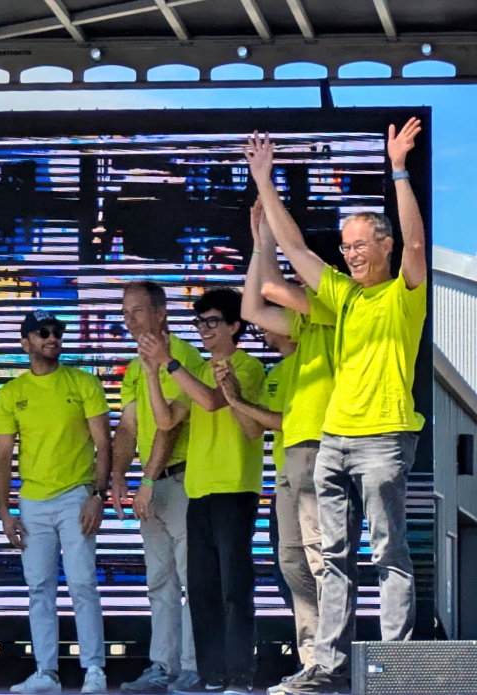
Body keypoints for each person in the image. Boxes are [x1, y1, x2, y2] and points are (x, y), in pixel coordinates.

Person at [244, 120, 427, 694]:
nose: (350, 256)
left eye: (359, 245)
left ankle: (395, 671)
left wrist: (398, 169)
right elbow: (296, 249)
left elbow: (416, 245)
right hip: (333, 440)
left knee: (388, 555)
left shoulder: (403, 294)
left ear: (384, 246)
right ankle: (327, 667)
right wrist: (264, 180)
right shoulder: (342, 297)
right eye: (346, 248)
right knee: (333, 558)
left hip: (385, 437)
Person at [140, 288, 265, 693]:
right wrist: (151, 373)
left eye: (212, 322)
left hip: (235, 487)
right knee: (202, 589)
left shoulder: (247, 366)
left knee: (234, 587)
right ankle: (211, 675)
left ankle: (240, 674)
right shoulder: (197, 368)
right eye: (199, 322)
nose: (204, 329)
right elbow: (166, 420)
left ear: (234, 326)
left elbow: (212, 402)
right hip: (198, 490)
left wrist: (169, 362)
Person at [240, 201, 337, 692]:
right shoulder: (302, 329)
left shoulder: (335, 309)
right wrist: (261, 243)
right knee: (293, 562)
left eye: (304, 271)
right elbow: (252, 309)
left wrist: (268, 232)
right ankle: (313, 662)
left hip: (322, 449)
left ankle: (333, 664)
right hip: (290, 456)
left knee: (322, 561)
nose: (298, 279)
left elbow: (273, 290)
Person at [0, 310, 112, 695]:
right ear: (25, 342)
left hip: (76, 495)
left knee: (82, 582)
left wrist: (97, 496)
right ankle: (46, 672)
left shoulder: (83, 382)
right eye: (42, 332)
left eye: (57, 332)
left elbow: (104, 443)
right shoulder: (11, 393)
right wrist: (5, 512)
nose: (52, 338)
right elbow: (2, 455)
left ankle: (94, 670)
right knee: (38, 586)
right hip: (32, 500)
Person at [115, 282, 203, 694]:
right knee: (159, 582)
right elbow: (128, 424)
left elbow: (170, 425)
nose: (129, 320)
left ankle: (192, 667)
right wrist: (117, 476)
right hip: (152, 487)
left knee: (189, 578)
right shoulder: (135, 364)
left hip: (181, 481)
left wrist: (147, 480)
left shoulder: (180, 355)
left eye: (136, 311)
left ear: (161, 312)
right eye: (125, 312)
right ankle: (162, 666)